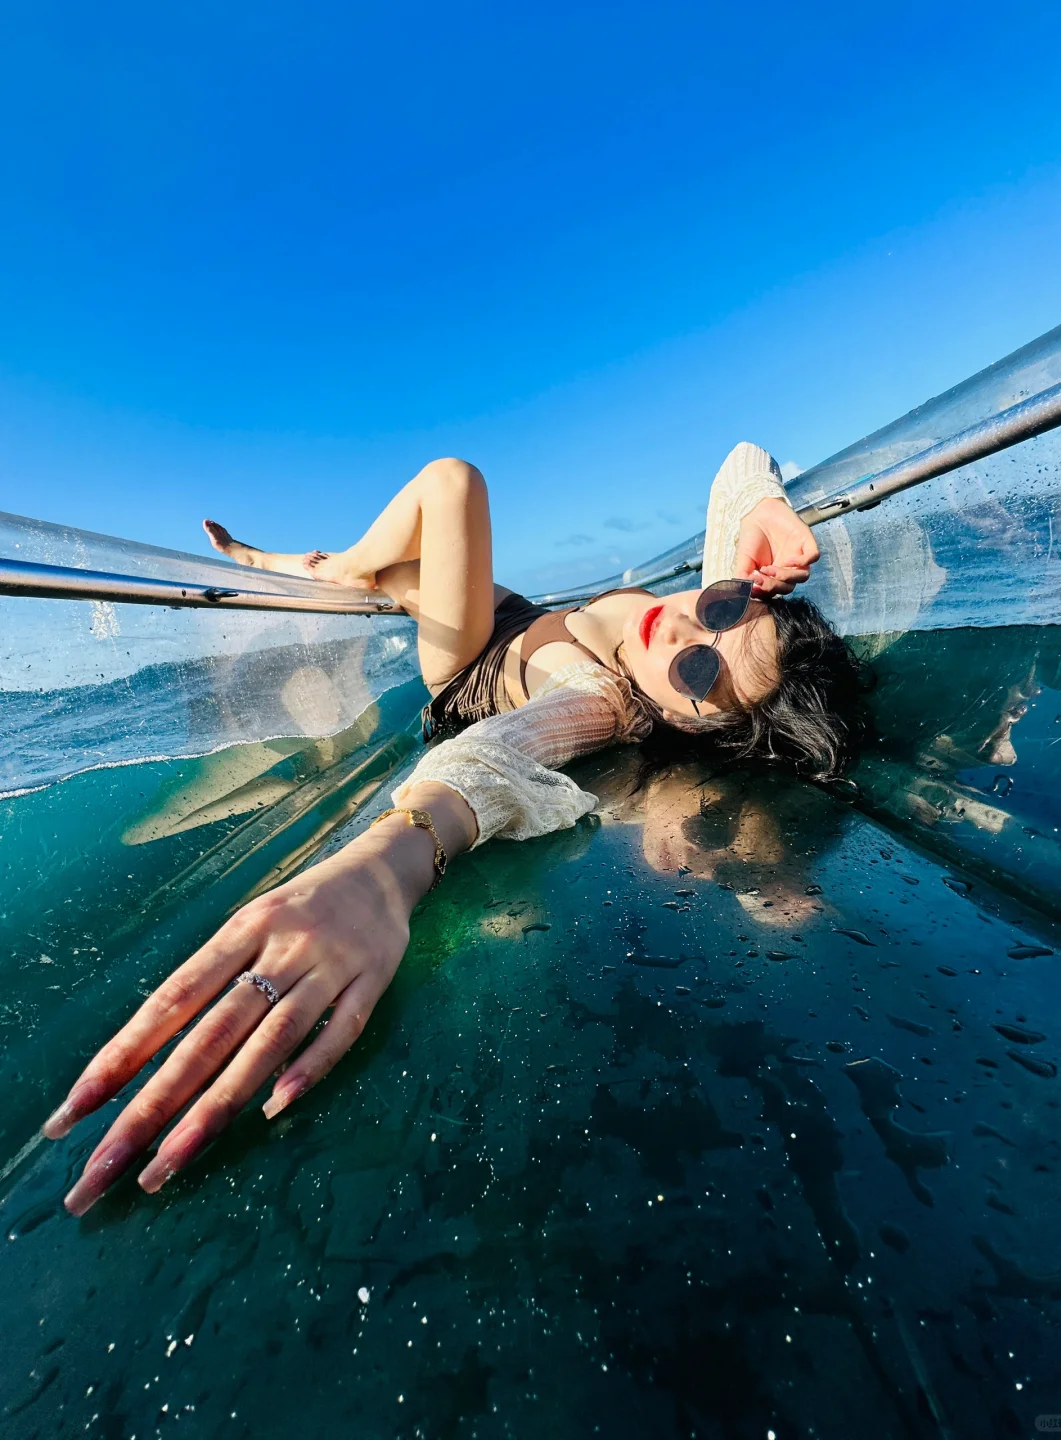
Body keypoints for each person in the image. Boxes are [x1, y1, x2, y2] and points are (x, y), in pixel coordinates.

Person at [44, 444, 863, 1215]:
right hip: (510, 613)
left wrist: (386, 863)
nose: (686, 632)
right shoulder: (694, 611)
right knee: (393, 573)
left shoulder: (600, 699)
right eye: (721, 610)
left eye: (699, 672)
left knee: (452, 483)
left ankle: (321, 569)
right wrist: (770, 508)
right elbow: (738, 468)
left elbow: (494, 755)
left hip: (471, 670)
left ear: (687, 724)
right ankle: (290, 566)